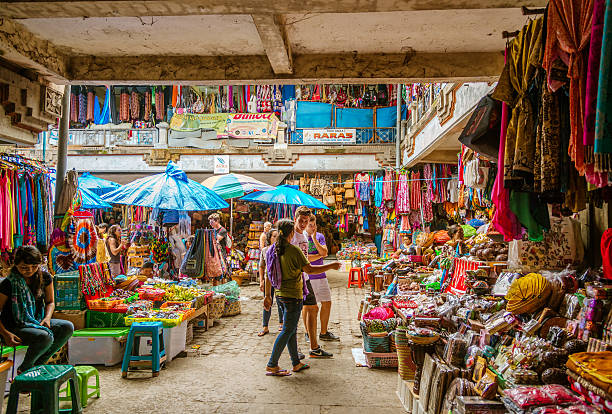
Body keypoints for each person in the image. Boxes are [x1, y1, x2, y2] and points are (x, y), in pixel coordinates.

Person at [264, 219, 341, 376]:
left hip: (279, 295)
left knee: (291, 329)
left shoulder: (272, 249)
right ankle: (272, 364)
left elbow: (267, 274)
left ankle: (296, 363)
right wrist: (331, 265)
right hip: (293, 295)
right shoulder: (293, 250)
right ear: (291, 233)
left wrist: (267, 295)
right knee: (287, 330)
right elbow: (310, 270)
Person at [0, 246, 74, 374]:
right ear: (16, 265)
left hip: (36, 321)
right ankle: (26, 369)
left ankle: (37, 363)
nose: (29, 270)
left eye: (34, 266)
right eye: (24, 267)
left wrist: (47, 318)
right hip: (14, 326)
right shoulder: (8, 283)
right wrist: (6, 334)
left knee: (67, 327)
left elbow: (50, 302)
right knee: (44, 337)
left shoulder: (45, 277)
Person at [292, 206, 332, 358]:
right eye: (301, 221)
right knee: (294, 315)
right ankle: (294, 350)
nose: (304, 224)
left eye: (306, 221)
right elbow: (306, 262)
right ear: (295, 219)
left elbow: (314, 257)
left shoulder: (303, 238)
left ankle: (314, 348)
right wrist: (329, 265)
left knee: (313, 309)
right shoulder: (291, 236)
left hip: (305, 278)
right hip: (296, 280)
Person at [305, 214, 339, 341]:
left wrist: (314, 240)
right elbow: (305, 258)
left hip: (321, 275)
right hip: (308, 277)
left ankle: (323, 332)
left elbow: (325, 253)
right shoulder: (301, 238)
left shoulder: (319, 236)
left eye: (314, 225)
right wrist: (319, 255)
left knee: (327, 302)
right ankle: (308, 332)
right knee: (308, 306)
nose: (313, 228)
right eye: (310, 225)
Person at [258, 228, 283, 337]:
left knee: (280, 301)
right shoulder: (265, 250)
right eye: (274, 236)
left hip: (279, 280)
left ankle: (281, 323)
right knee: (267, 302)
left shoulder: (281, 250)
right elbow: (261, 266)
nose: (276, 238)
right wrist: (261, 281)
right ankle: (265, 326)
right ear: (269, 238)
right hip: (268, 280)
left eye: (277, 236)